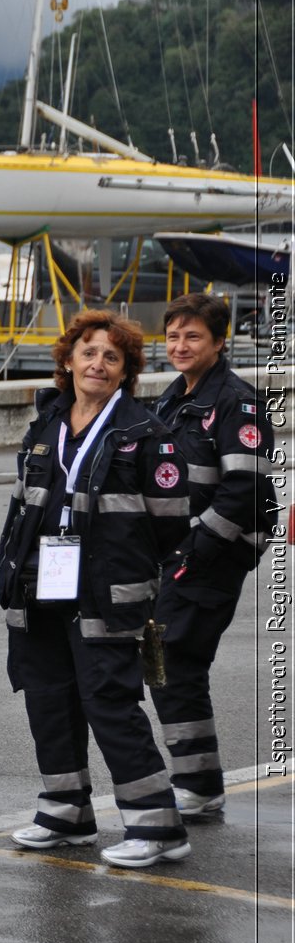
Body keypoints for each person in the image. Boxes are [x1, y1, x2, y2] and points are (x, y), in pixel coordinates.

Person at [0, 311, 193, 869]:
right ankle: (65, 811)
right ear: (67, 360)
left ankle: (158, 826)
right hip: (39, 585)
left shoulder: (146, 433)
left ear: (127, 369)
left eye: (112, 356)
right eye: (88, 352)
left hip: (107, 591)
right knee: (48, 698)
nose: (98, 364)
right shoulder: (47, 424)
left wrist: (124, 566)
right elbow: (19, 509)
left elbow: (171, 524)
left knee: (109, 702)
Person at [148, 293, 275, 815]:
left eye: (193, 336)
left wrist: (193, 552)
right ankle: (198, 781)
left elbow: (244, 490)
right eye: (174, 335)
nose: (180, 345)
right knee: (171, 664)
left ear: (220, 342)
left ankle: (199, 786)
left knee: (176, 660)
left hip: (211, 556)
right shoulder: (174, 397)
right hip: (179, 554)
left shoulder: (235, 401)